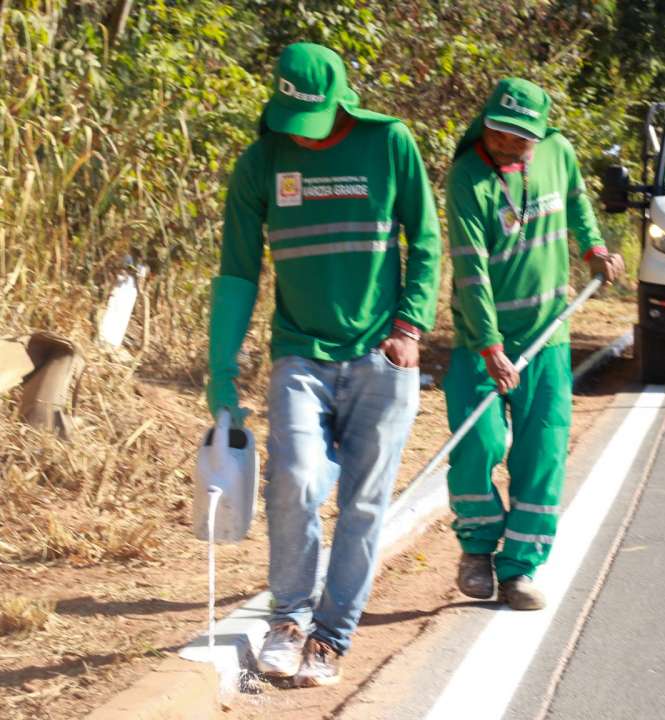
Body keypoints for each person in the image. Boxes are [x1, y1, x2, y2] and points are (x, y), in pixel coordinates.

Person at [207, 42, 440, 687]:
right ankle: (287, 621)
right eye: (293, 124)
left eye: (313, 123)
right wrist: (220, 369)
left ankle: (331, 638)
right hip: (299, 352)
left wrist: (409, 326)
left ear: (341, 102)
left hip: (381, 355)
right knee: (295, 482)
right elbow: (237, 270)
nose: (303, 138)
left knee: (364, 506)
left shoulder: (389, 143)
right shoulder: (261, 162)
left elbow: (425, 238)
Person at [444, 78, 624, 610]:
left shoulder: (558, 153)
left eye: (520, 138)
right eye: (498, 132)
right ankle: (477, 548)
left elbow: (577, 204)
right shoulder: (467, 177)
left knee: (542, 453)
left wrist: (594, 249)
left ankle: (519, 568)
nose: (506, 144)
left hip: (547, 337)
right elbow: (471, 270)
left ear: (540, 135)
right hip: (481, 341)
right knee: (477, 445)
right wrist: (490, 346)